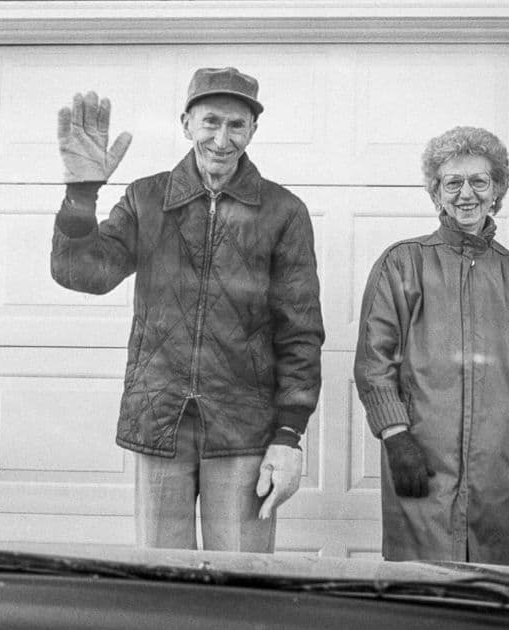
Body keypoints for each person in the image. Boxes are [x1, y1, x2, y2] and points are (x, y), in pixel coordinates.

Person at [50, 67, 324, 551]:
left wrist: (288, 435)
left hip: (244, 429)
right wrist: (81, 193)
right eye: (210, 121)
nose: (222, 138)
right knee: (163, 587)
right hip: (160, 421)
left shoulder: (284, 212)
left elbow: (299, 333)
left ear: (253, 131)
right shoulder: (146, 198)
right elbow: (83, 273)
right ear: (186, 124)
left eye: (236, 125)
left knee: (241, 586)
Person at [353, 126, 509, 564]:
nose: (465, 193)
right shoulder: (402, 262)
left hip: (493, 469)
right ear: (436, 194)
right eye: (453, 182)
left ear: (497, 191)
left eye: (479, 181)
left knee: (482, 595)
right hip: (421, 462)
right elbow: (374, 361)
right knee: (419, 593)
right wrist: (397, 439)